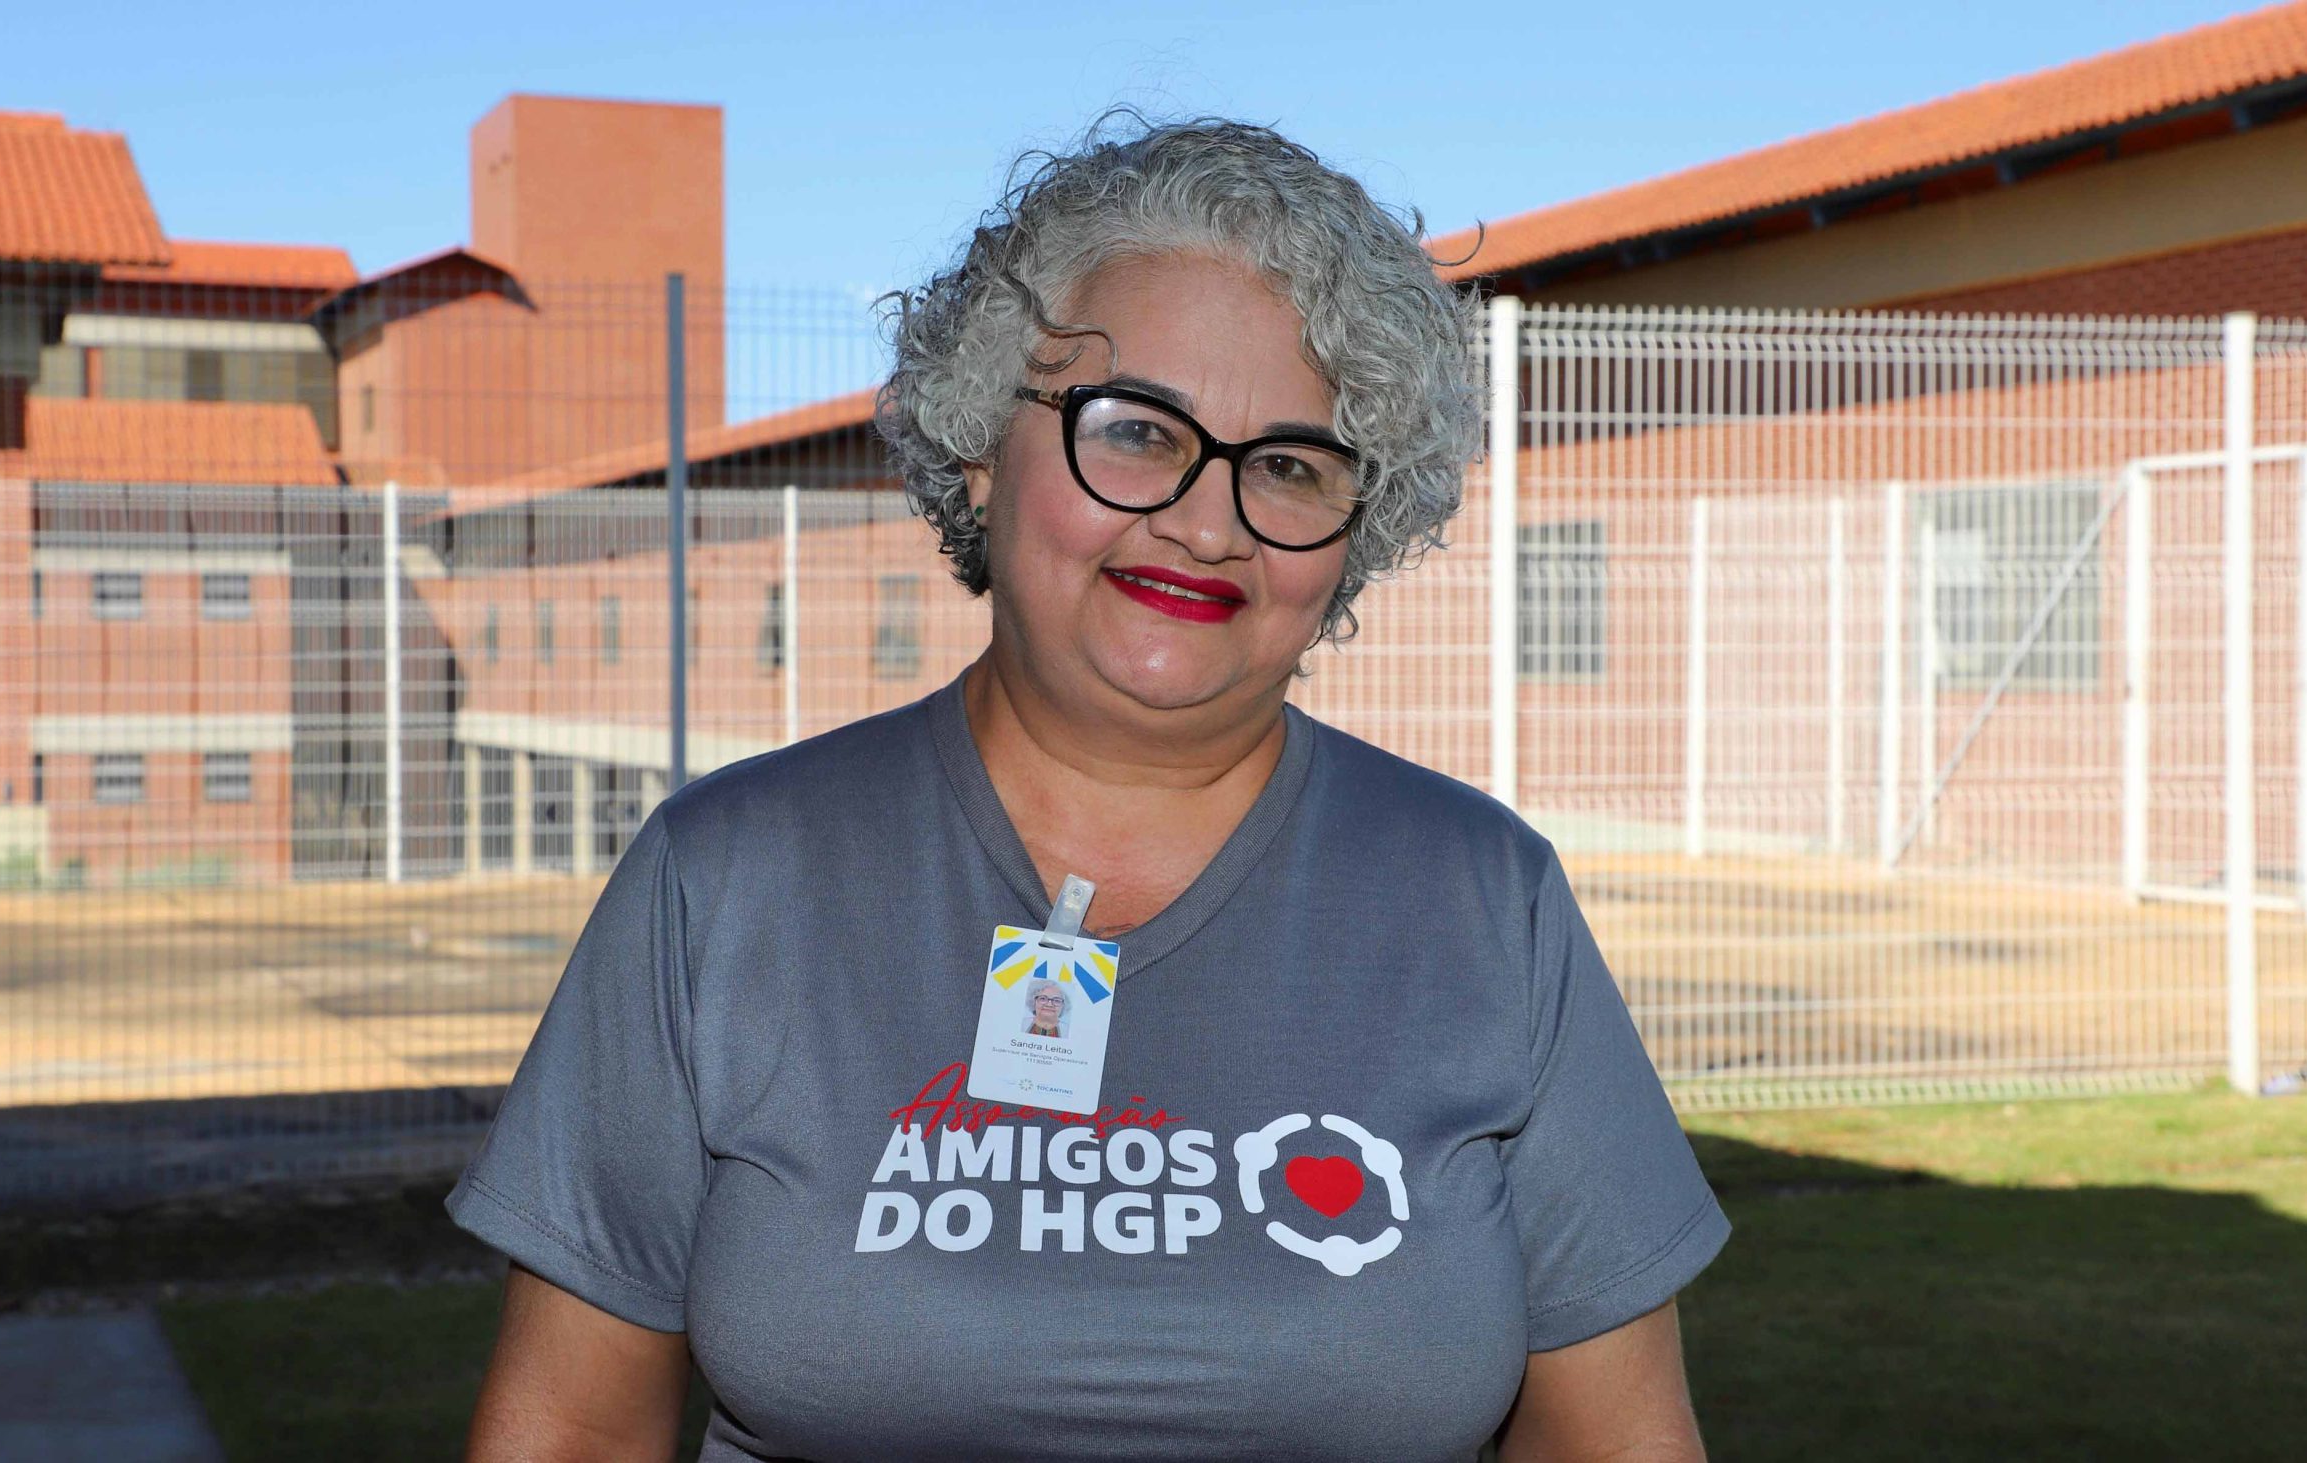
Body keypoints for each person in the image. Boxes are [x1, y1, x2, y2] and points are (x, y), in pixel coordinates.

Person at [450, 112, 1728, 1462]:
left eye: (1289, 464)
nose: (1207, 521)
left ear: (1356, 536)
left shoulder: (1486, 900)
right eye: (1136, 432)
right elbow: (572, 1428)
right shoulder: (724, 879)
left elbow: (1612, 1442)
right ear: (978, 450)